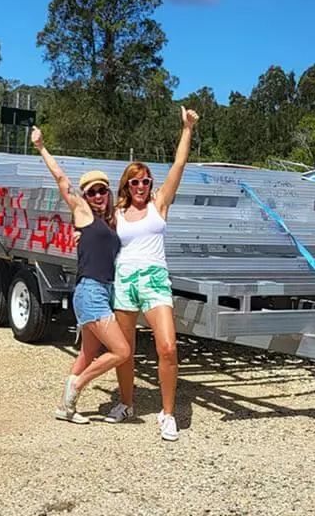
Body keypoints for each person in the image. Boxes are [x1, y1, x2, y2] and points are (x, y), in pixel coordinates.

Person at [104, 106, 199, 441]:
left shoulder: (160, 204)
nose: (141, 186)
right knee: (125, 349)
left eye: (145, 181)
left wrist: (186, 129)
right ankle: (126, 404)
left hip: (156, 279)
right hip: (125, 281)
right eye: (135, 182)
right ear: (127, 186)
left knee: (168, 347)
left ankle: (168, 413)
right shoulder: (116, 211)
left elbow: (179, 165)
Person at [31, 126, 130, 424]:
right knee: (122, 350)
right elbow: (62, 180)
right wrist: (41, 147)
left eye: (102, 190)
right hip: (90, 292)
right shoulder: (84, 213)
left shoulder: (111, 221)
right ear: (85, 196)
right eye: (92, 191)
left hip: (103, 291)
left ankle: (65, 408)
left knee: (88, 353)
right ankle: (77, 385)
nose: (98, 195)